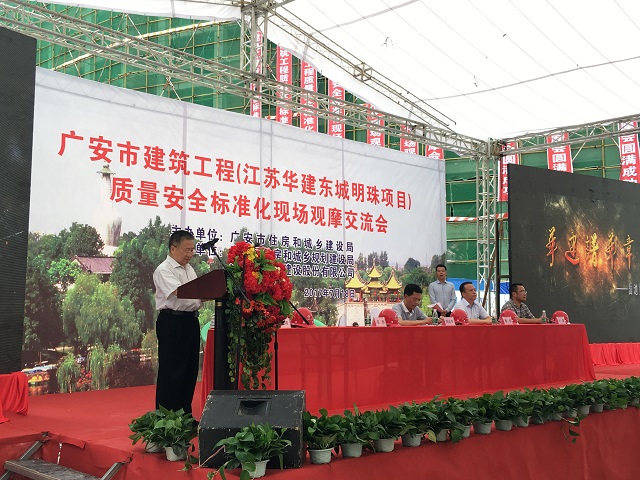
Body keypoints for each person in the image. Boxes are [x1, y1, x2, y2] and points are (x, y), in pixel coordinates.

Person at [153, 230, 202, 415]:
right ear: (173, 249)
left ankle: (185, 416)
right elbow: (180, 292)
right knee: (172, 371)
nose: (190, 254)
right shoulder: (164, 270)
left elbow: (197, 294)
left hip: (191, 321)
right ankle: (168, 419)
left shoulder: (189, 269)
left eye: (192, 250)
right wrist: (204, 294)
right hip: (172, 322)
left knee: (189, 370)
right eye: (186, 250)